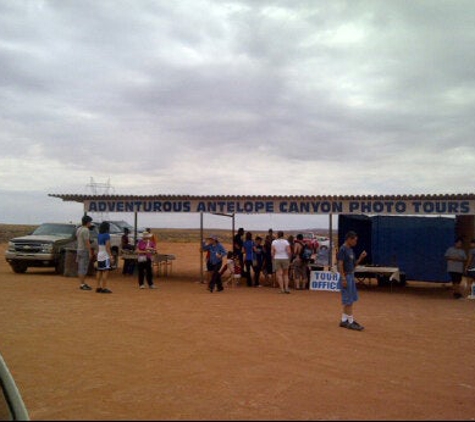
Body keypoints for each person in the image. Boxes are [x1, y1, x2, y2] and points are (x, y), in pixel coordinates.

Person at [337, 231, 367, 331]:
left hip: (350, 275)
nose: (356, 242)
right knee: (348, 300)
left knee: (349, 300)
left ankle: (344, 320)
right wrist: (343, 278)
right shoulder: (343, 249)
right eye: (355, 240)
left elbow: (354, 265)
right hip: (346, 276)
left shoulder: (350, 250)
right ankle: (350, 321)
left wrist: (361, 258)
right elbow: (340, 264)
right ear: (349, 239)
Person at [76, 215, 94, 291]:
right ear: (88, 222)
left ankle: (82, 283)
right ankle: (82, 284)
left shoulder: (79, 229)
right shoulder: (86, 230)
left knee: (80, 266)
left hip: (79, 249)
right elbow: (87, 242)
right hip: (84, 250)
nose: (90, 223)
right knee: (83, 267)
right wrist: (90, 252)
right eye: (90, 222)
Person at [95, 221, 113, 294]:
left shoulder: (99, 235)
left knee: (99, 271)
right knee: (105, 271)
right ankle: (104, 287)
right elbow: (107, 247)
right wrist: (110, 256)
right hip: (105, 254)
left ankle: (98, 286)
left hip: (100, 253)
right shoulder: (107, 235)